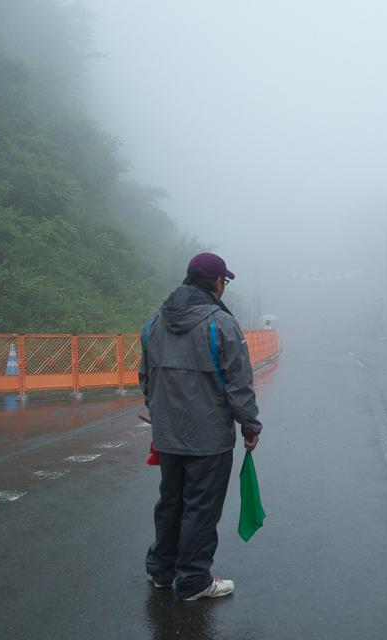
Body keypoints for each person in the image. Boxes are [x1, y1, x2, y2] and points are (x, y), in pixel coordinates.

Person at [140, 252, 263, 601]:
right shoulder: (221, 324)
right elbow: (238, 381)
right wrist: (250, 425)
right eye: (224, 281)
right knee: (200, 507)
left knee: (170, 501)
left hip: (167, 435)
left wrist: (160, 415)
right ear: (216, 283)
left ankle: (162, 571)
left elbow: (146, 378)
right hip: (209, 439)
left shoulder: (154, 321)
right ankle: (194, 580)